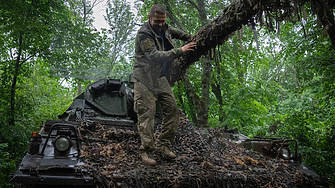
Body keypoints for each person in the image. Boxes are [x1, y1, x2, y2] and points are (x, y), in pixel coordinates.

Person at [133, 4, 197, 165]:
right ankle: (146, 151)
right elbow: (155, 56)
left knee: (172, 110)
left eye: (163, 21)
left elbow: (178, 33)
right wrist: (181, 50)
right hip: (145, 79)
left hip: (160, 78)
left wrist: (193, 37)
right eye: (157, 21)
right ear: (149, 18)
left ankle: (164, 145)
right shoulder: (144, 34)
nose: (160, 24)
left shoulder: (164, 27)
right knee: (147, 115)